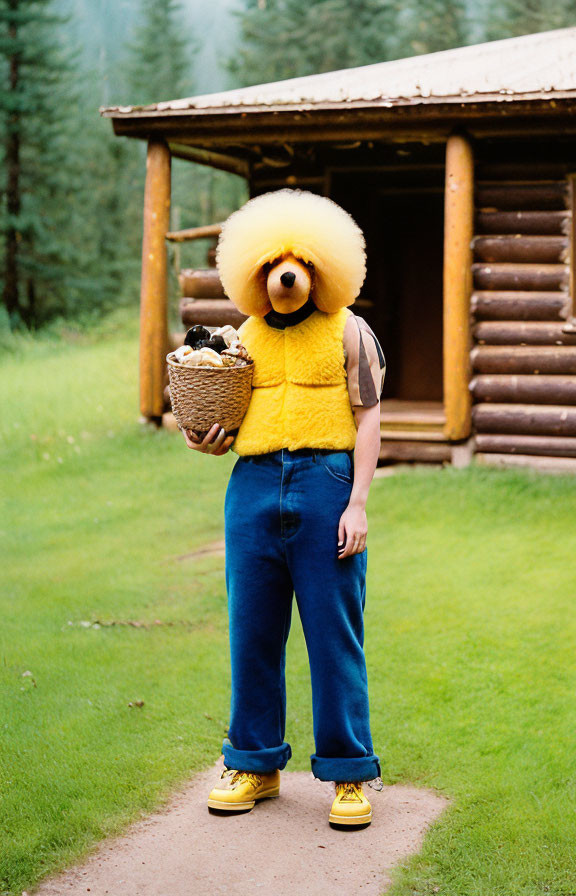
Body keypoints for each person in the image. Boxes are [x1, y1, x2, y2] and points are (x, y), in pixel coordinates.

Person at [180, 189, 385, 827]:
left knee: (334, 635)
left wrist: (358, 503)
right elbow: (222, 416)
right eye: (273, 264)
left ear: (322, 271)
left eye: (298, 263)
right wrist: (203, 436)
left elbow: (369, 416)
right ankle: (254, 763)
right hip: (253, 483)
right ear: (256, 275)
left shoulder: (351, 331)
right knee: (252, 631)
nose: (286, 274)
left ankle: (350, 775)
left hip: (328, 484)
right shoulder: (240, 338)